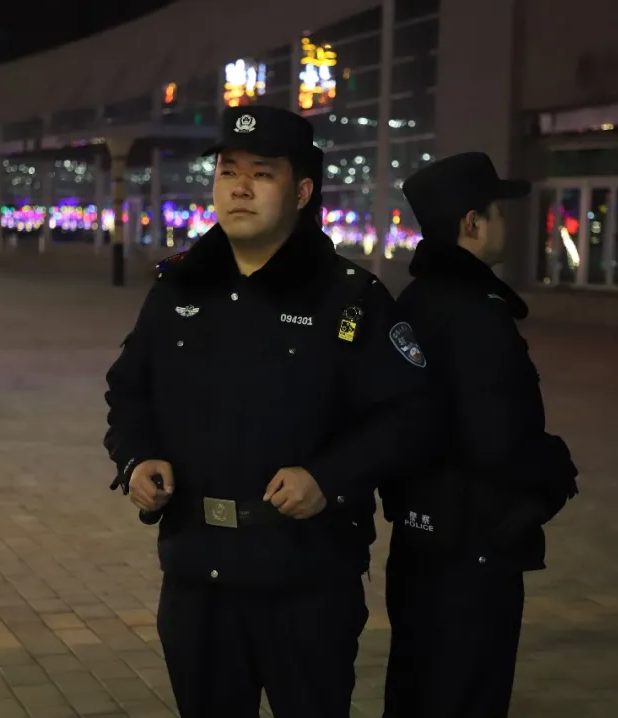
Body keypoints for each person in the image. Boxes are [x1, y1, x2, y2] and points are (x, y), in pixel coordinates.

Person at [102, 105, 434, 718]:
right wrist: (137, 457)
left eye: (262, 174)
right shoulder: (178, 289)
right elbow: (129, 391)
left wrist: (329, 478)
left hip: (306, 578)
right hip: (198, 573)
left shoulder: (349, 299)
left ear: (301, 192)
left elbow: (408, 416)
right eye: (228, 172)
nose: (240, 188)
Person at [381, 152, 579, 718]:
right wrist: (555, 470)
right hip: (474, 548)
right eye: (499, 212)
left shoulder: (414, 301)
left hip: (420, 539)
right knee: (467, 693)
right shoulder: (475, 312)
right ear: (472, 222)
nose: (505, 225)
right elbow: (498, 438)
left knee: (415, 686)